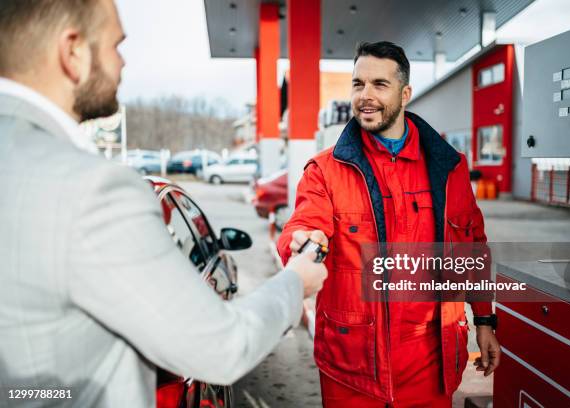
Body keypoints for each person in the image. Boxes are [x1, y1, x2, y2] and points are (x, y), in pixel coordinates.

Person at [0, 0, 327, 406]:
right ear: (74, 52)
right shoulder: (91, 188)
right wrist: (295, 281)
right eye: (116, 46)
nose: (122, 64)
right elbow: (221, 348)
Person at [277, 41, 501, 407]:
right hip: (353, 366)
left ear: (405, 93)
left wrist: (485, 321)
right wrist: (304, 244)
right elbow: (303, 225)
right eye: (358, 84)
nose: (365, 95)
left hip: (432, 363)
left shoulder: (451, 169)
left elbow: (472, 250)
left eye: (379, 84)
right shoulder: (325, 172)